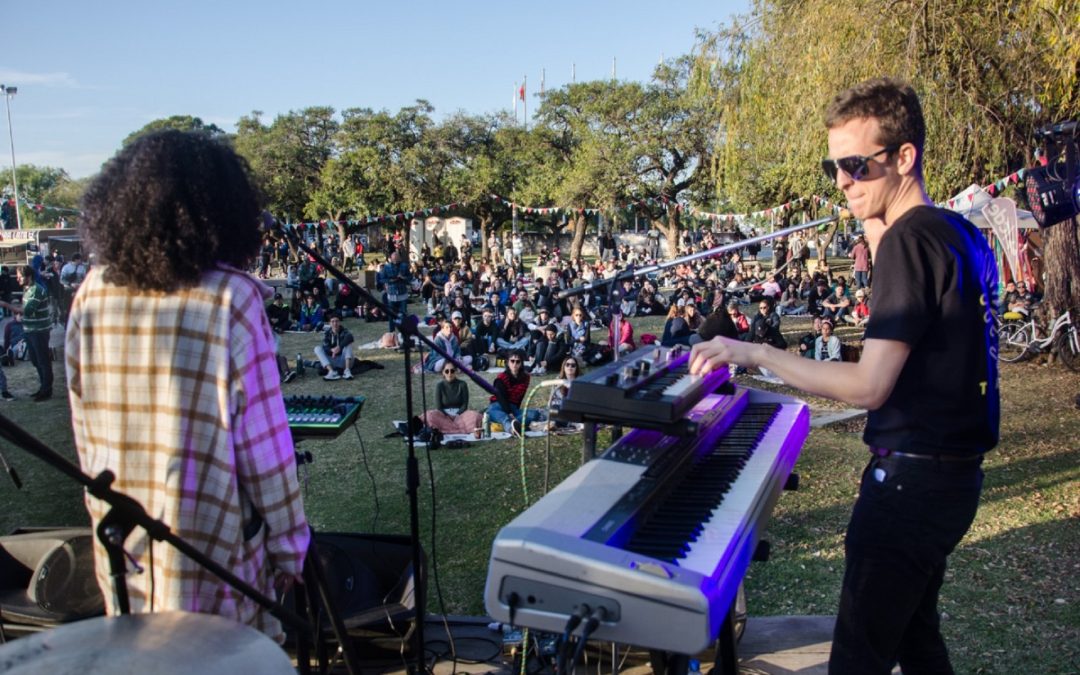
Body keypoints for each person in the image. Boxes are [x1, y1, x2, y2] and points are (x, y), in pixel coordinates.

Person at [690, 78, 998, 674]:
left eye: (856, 165)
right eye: (834, 167)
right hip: (951, 483)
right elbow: (893, 259)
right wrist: (870, 212)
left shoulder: (910, 242)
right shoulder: (952, 231)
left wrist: (755, 352)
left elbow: (869, 387)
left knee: (858, 659)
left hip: (909, 487)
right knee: (916, 640)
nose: (842, 182)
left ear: (903, 156)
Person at [66, 130, 309, 642]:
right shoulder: (231, 299)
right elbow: (265, 453)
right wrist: (290, 546)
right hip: (212, 548)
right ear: (221, 210)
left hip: (124, 540)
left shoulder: (92, 292)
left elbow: (84, 428)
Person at [0, 265, 53, 400]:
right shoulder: (27, 289)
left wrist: (6, 305)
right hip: (30, 330)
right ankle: (43, 387)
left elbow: (27, 310)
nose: (17, 279)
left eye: (19, 276)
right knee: (35, 360)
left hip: (39, 331)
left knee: (42, 361)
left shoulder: (36, 290)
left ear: (28, 276)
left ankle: (46, 390)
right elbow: (26, 310)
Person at [486, 349, 545, 435]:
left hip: (514, 408)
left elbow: (520, 398)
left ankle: (514, 424)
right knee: (498, 415)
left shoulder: (526, 378)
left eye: (518, 362)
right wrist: (509, 413)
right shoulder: (501, 378)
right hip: (498, 405)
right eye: (512, 361)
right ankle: (512, 429)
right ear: (508, 362)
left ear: (521, 363)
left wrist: (513, 413)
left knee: (533, 414)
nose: (514, 364)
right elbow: (501, 398)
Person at [421, 363, 484, 435]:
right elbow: (439, 407)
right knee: (429, 415)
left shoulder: (462, 384)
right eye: (447, 371)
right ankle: (458, 428)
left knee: (475, 416)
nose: (449, 373)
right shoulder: (440, 385)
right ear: (443, 372)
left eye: (452, 371)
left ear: (456, 372)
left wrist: (457, 415)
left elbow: (464, 404)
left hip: (460, 414)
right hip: (443, 415)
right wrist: (447, 416)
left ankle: (447, 429)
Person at [378, 250, 411, 333]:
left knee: (403, 314)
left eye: (397, 259)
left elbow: (410, 277)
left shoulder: (404, 266)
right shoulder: (387, 267)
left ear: (400, 258)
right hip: (391, 293)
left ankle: (403, 332)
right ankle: (391, 332)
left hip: (402, 293)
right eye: (394, 259)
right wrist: (390, 280)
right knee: (391, 315)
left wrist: (403, 278)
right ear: (391, 259)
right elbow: (381, 279)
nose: (396, 260)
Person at [314, 313, 355, 380]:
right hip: (332, 359)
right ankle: (331, 372)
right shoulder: (327, 333)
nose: (335, 324)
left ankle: (347, 371)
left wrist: (339, 347)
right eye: (332, 321)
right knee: (317, 348)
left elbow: (350, 337)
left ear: (339, 322)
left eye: (337, 321)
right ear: (329, 323)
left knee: (348, 344)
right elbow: (325, 347)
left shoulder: (344, 331)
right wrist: (332, 350)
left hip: (343, 360)